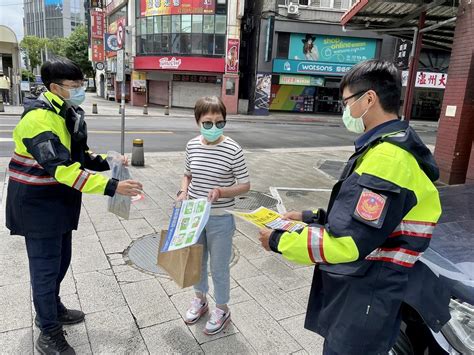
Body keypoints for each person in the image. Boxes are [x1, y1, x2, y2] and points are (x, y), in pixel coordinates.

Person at [258, 60, 451, 354]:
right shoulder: (386, 148)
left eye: (347, 101)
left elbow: (347, 242)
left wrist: (278, 240)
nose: (345, 109)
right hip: (367, 288)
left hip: (367, 295)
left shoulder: (388, 160)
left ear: (369, 99)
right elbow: (370, 221)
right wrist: (311, 217)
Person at [5, 58, 143, 355]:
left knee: (61, 260)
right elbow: (62, 169)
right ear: (55, 87)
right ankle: (48, 332)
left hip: (58, 202)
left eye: (82, 84)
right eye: (75, 86)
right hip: (37, 206)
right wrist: (112, 186)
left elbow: (78, 155)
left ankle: (53, 308)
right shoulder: (38, 120)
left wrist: (109, 161)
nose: (81, 90)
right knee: (44, 269)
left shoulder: (65, 111)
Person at [178, 96, 250, 335]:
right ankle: (200, 300)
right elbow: (187, 174)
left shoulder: (233, 149)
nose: (214, 128)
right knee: (197, 262)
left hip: (221, 218)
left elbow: (245, 185)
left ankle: (222, 308)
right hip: (194, 215)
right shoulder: (191, 145)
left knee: (219, 267)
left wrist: (222, 191)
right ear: (197, 122)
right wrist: (182, 191)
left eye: (220, 122)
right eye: (207, 123)